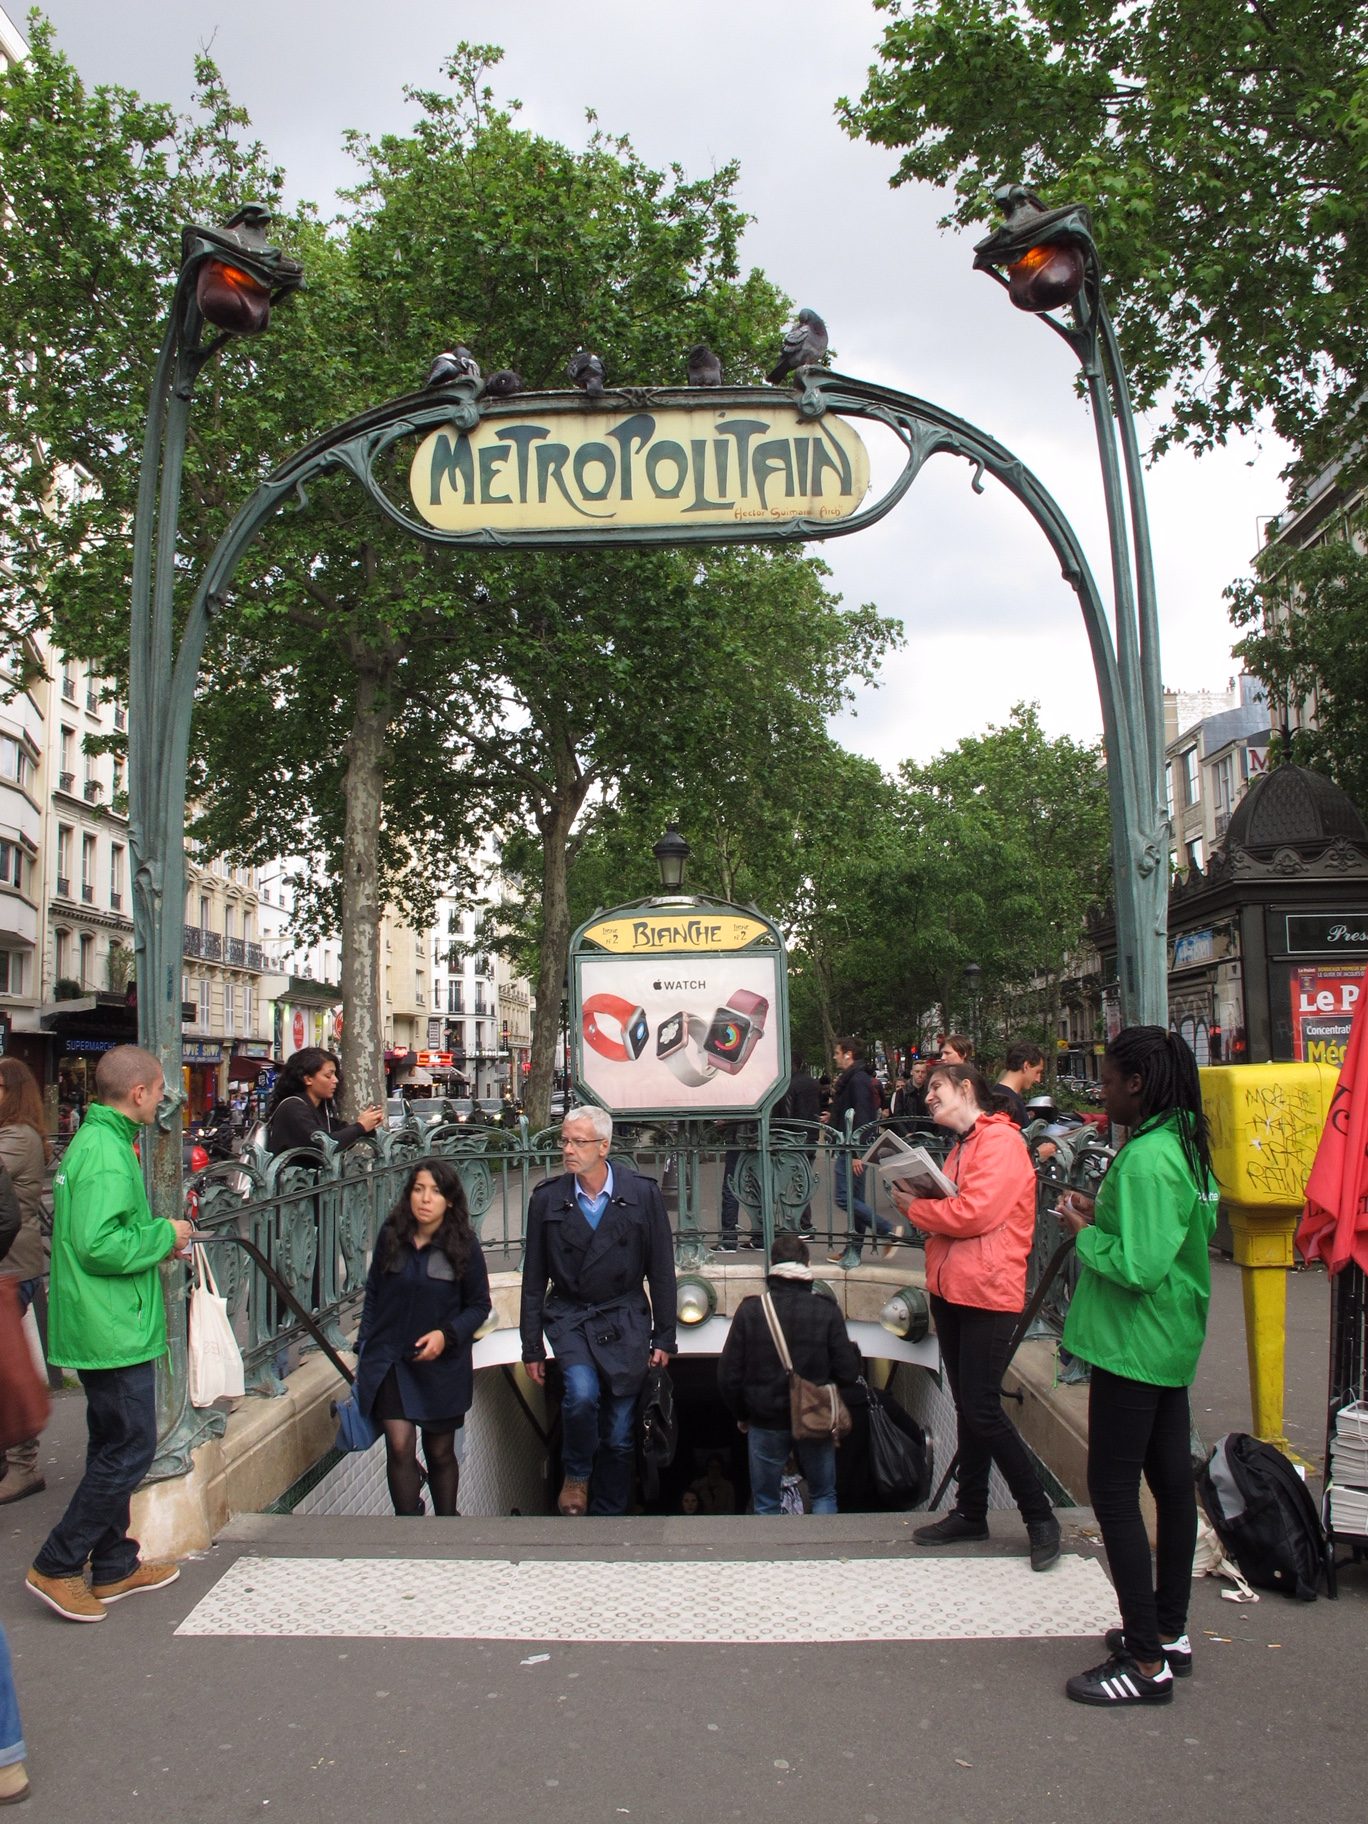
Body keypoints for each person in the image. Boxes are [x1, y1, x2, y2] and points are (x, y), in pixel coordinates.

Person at [1056, 1027, 1218, 1707]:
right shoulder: (1179, 1145)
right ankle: (1169, 1633)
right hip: (1169, 1339)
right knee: (1172, 1486)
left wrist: (1085, 1234)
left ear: (1137, 1085)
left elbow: (1140, 1267)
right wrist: (1106, 1216)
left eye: (1109, 1078)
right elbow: (1164, 1239)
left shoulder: (1149, 1158)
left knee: (1117, 1492)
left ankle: (1145, 1662)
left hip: (1134, 1343)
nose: (1101, 1090)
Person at [26, 1045, 191, 1623]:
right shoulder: (104, 1151)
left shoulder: (100, 1141)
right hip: (111, 1323)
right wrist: (164, 1235)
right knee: (131, 1446)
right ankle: (58, 1562)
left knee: (110, 1442)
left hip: (105, 1318)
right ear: (140, 1093)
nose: (163, 1097)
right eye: (159, 1088)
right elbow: (101, 1244)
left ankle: (116, 1562)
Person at [892, 1061, 1059, 1571]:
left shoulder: (999, 1142)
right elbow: (965, 1208)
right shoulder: (968, 1144)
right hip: (957, 1287)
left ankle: (1039, 1515)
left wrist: (913, 1209)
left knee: (982, 1408)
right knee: (970, 1406)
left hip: (986, 1292)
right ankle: (972, 1510)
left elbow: (975, 1214)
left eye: (936, 1088)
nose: (929, 1099)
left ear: (967, 1088)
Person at [520, 1107, 676, 1516]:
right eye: (565, 1141)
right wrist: (531, 1345)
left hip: (624, 1318)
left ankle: (610, 1511)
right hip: (571, 1315)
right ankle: (576, 1475)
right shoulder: (547, 1198)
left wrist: (665, 1335)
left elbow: (661, 1269)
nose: (568, 1150)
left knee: (622, 1434)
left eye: (578, 1142)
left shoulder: (642, 1194)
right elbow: (534, 1277)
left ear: (604, 1147)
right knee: (581, 1394)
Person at [354, 1160, 491, 1517]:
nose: (425, 1199)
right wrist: (364, 1347)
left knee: (440, 1451)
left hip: (441, 1368)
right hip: (391, 1361)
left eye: (434, 1191)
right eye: (418, 1189)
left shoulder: (464, 1245)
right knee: (399, 1447)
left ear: (449, 1200)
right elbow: (373, 1294)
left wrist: (447, 1336)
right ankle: (408, 1525)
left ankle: (446, 1523)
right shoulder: (391, 1235)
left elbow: (479, 1306)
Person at [718, 1230, 862, 1515]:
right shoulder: (826, 1310)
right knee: (823, 1493)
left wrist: (743, 1414)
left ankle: (773, 1558)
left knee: (766, 1501)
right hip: (814, 1417)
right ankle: (825, 1556)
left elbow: (728, 1375)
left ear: (773, 1266)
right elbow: (847, 1372)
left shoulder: (752, 1311)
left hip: (764, 1418)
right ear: (806, 1266)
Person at [0, 1059, 53, 1506]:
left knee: (9, 1367)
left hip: (11, 1264)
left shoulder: (17, 1138)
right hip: (12, 1263)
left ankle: (22, 1464)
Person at [825, 1037, 896, 1265]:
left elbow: (863, 1116)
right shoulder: (854, 1079)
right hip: (850, 1145)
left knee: (844, 1198)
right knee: (854, 1199)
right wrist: (832, 1117)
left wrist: (857, 1153)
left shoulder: (857, 1080)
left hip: (851, 1147)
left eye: (837, 1052)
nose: (835, 1056)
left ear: (848, 1054)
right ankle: (852, 1250)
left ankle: (887, 1230)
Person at [264, 1048, 383, 1154]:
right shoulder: (292, 1107)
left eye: (335, 1074)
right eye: (328, 1075)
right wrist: (360, 1127)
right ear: (308, 1079)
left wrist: (367, 1125)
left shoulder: (320, 1109)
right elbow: (325, 1143)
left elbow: (341, 1133)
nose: (335, 1080)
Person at [997, 1040, 1047, 1128]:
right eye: (1037, 1072)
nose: (1038, 1079)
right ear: (1026, 1066)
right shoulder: (1011, 1103)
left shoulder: (993, 1094)